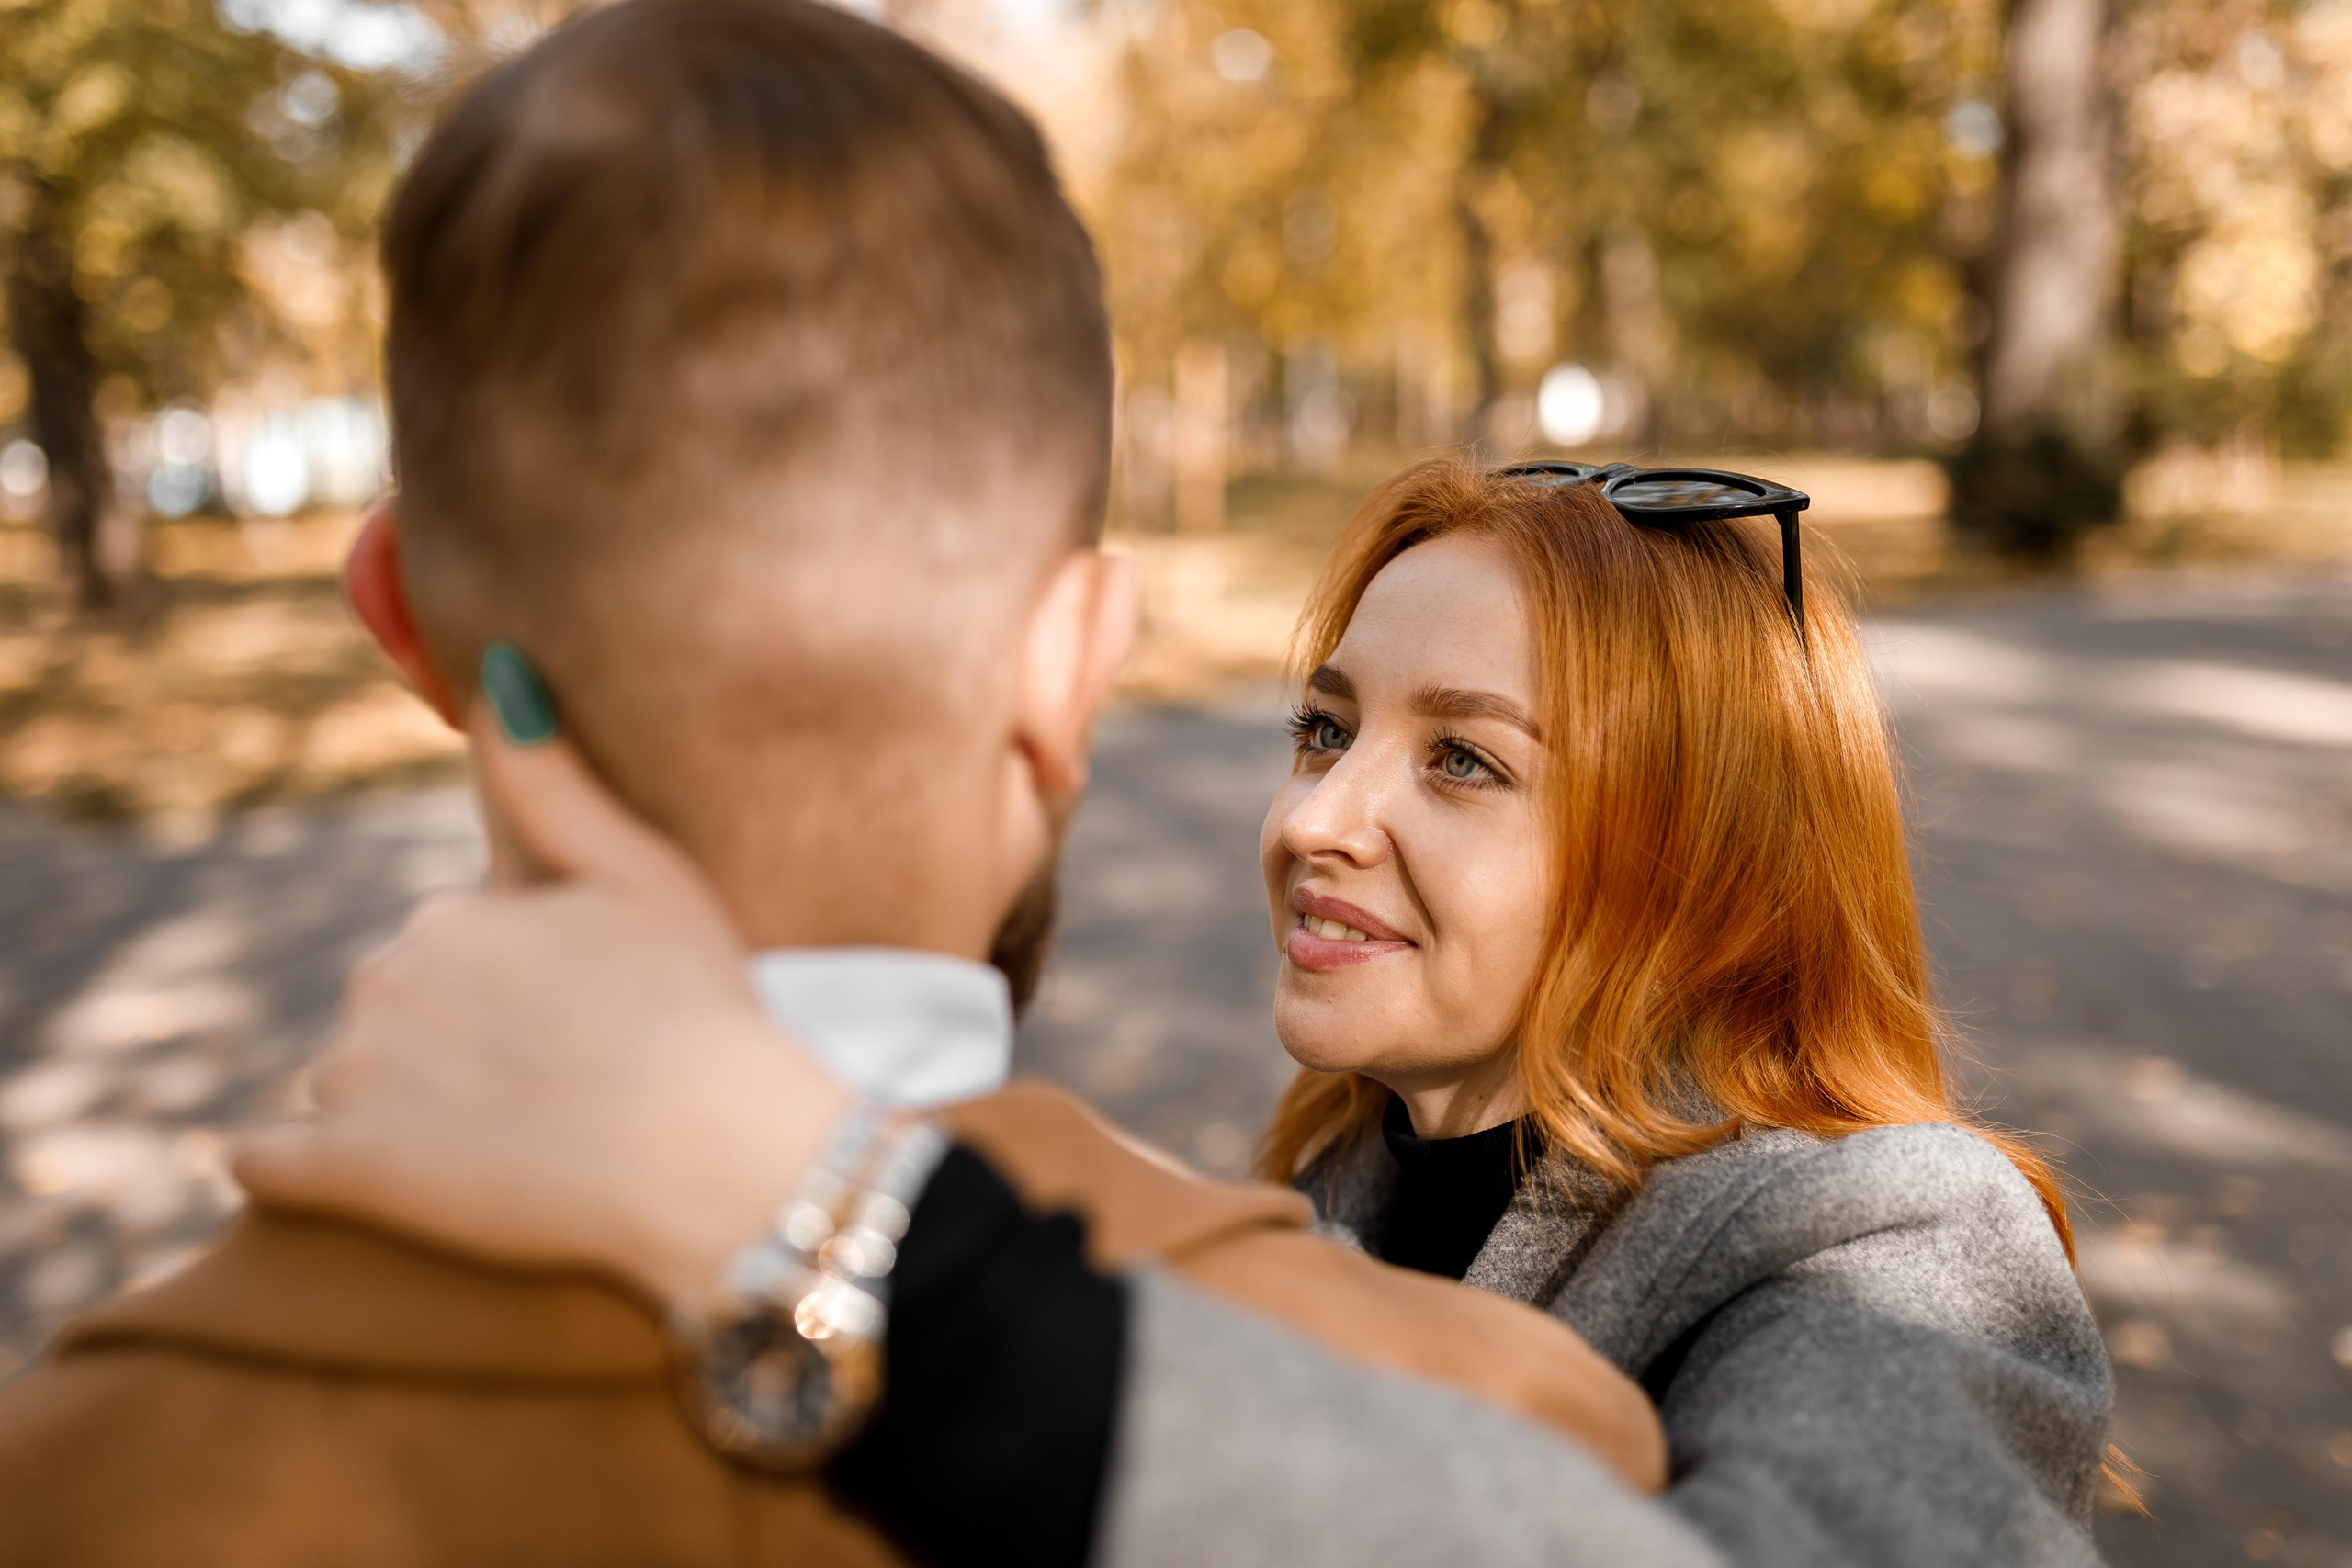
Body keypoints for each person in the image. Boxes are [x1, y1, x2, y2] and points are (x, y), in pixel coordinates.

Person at [0, 5, 1675, 1565]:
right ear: (1070, 663)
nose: (1317, 819)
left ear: (397, 615)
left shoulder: (82, 1481)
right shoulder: (1513, 1441)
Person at [238, 452, 2121, 1566]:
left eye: (1463, 761)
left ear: (1705, 855)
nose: (1313, 820)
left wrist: (843, 1221)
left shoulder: (1898, 1235)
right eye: (1322, 728)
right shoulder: (1327, 1190)